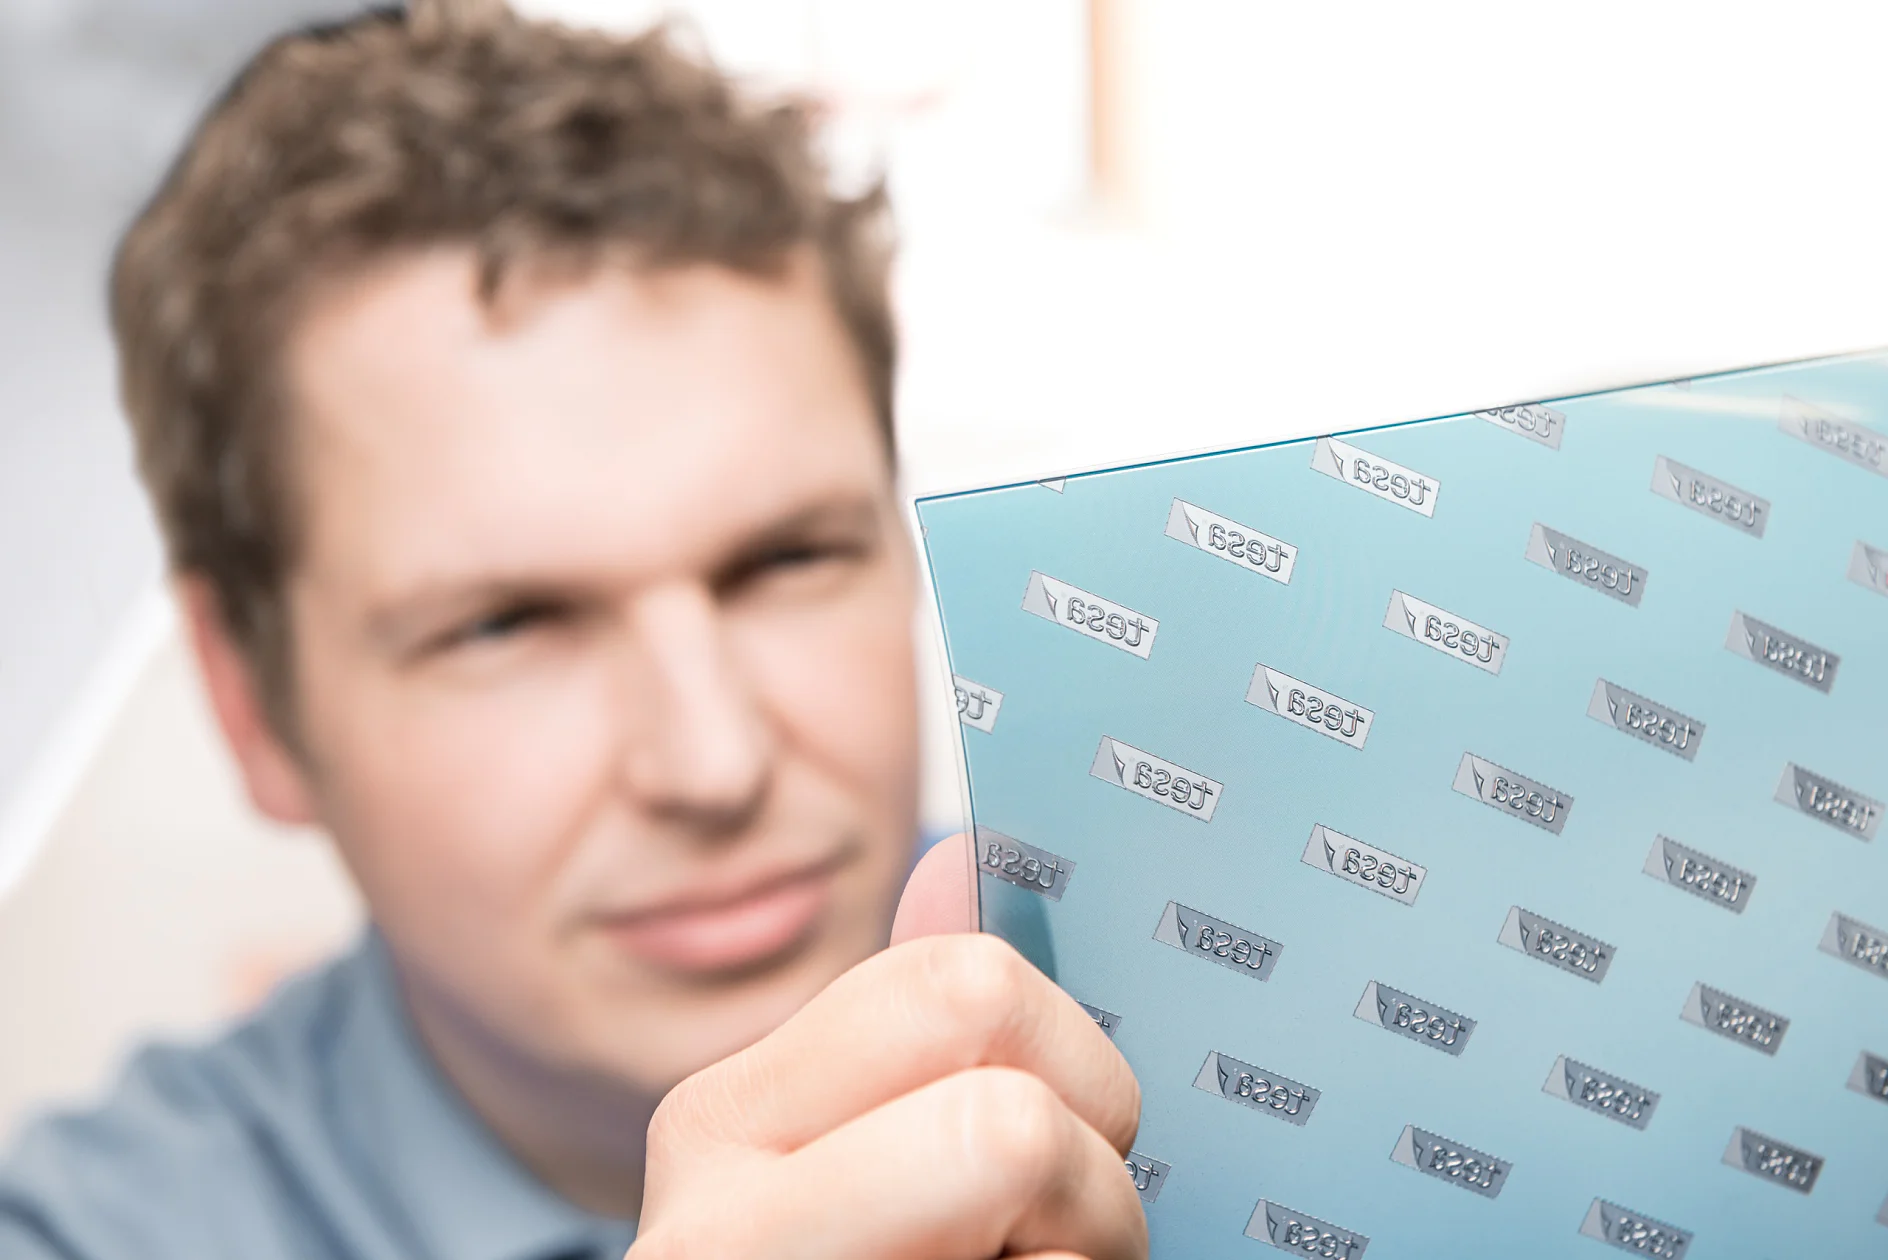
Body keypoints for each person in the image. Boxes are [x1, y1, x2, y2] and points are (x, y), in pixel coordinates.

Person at [0, 3, 1145, 1257]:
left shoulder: (1219, 1033)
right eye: (506, 626)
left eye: (787, 559)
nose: (714, 763)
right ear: (251, 705)